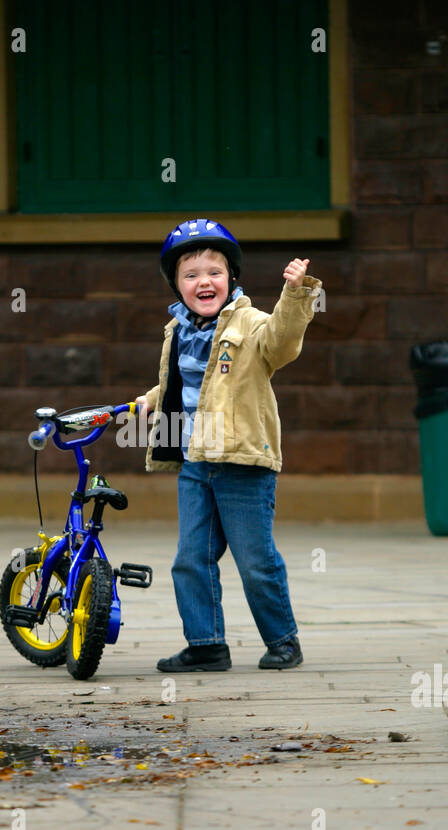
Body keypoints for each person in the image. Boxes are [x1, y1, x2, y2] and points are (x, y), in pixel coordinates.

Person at [134, 218, 320, 672]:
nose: (204, 282)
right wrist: (149, 401)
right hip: (197, 459)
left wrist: (295, 294)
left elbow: (283, 341)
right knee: (190, 559)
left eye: (214, 272)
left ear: (231, 277)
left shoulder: (253, 323)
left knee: (255, 560)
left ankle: (283, 641)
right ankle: (207, 644)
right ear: (176, 285)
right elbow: (181, 386)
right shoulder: (177, 331)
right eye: (191, 274)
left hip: (242, 461)